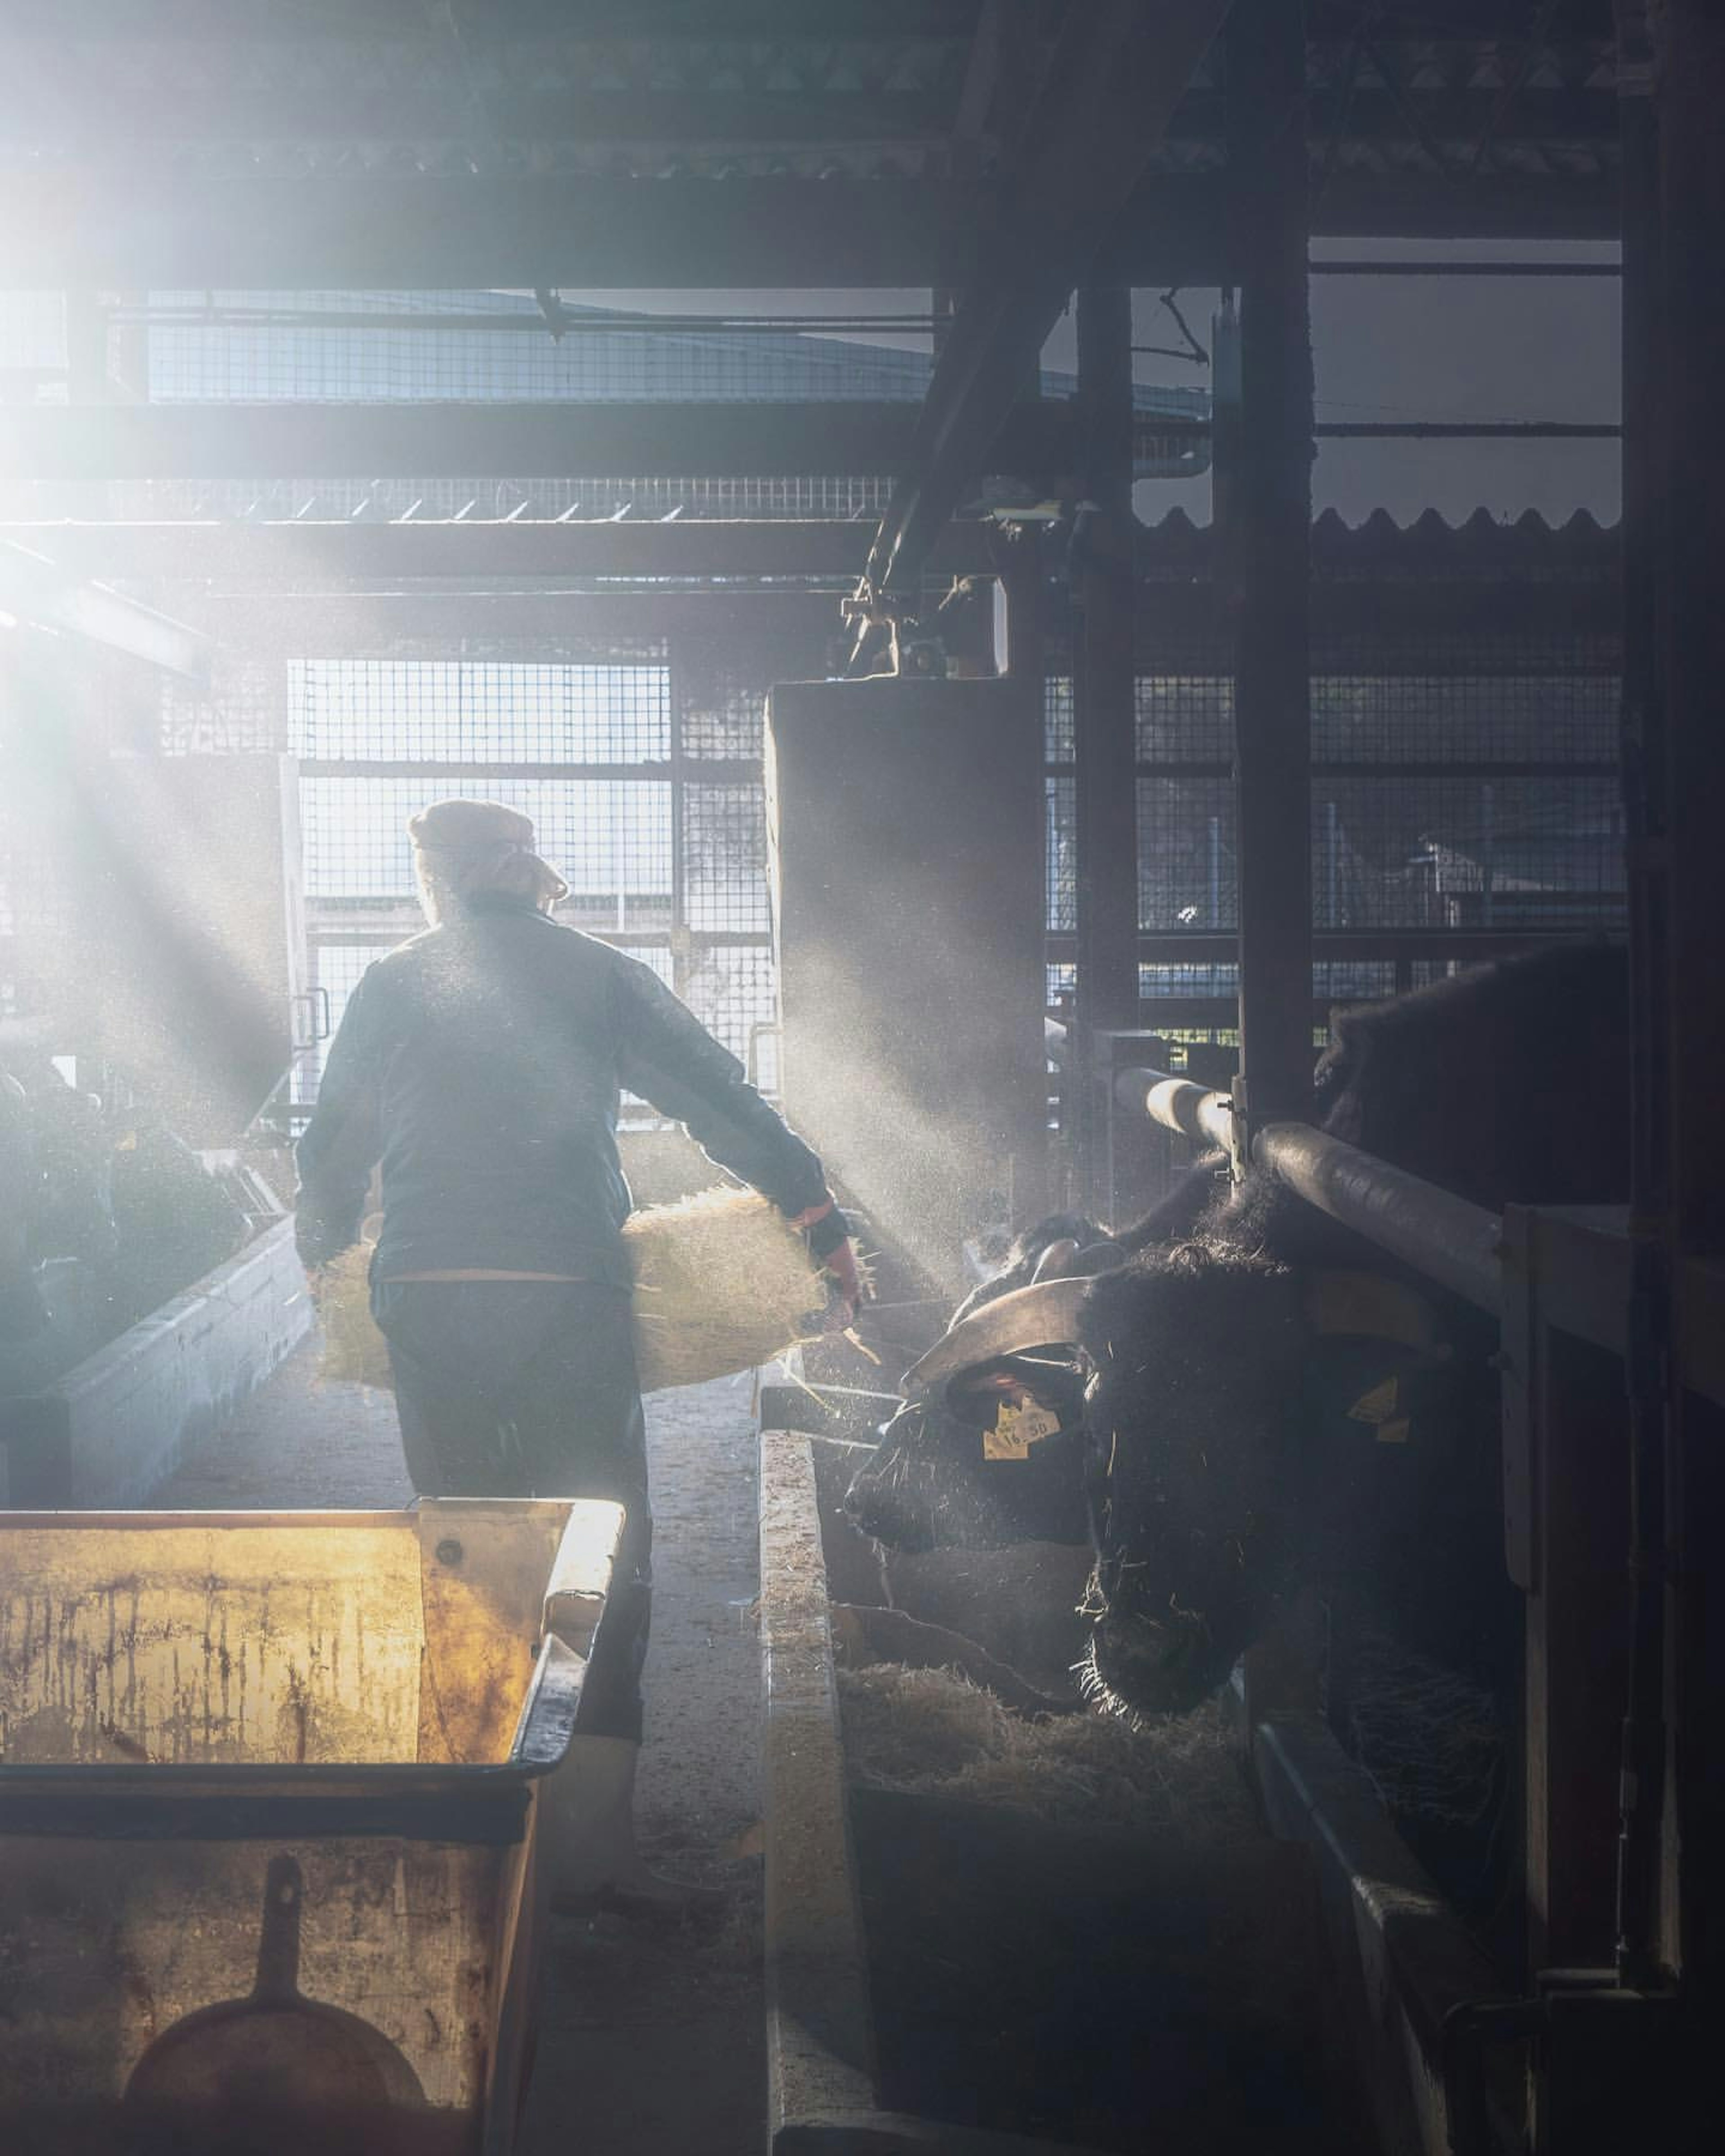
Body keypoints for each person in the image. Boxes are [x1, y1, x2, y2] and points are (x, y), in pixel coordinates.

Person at [295, 798, 858, 1912]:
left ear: (436, 882)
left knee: (465, 1539)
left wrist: (328, 1256)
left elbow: (333, 1147)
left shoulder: (393, 979)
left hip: (427, 1290)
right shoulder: (597, 972)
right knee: (600, 1543)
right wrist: (817, 1219)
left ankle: (480, 1832)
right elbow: (717, 1098)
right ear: (528, 873)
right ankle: (591, 1850)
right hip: (563, 1289)